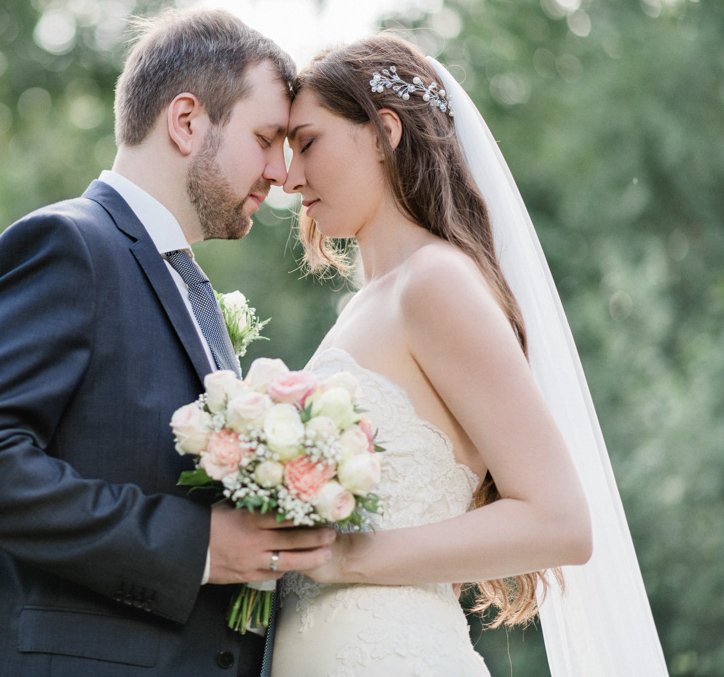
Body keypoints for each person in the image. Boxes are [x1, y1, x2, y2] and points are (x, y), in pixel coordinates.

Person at [0, 8, 336, 677]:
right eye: (266, 137)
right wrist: (194, 547)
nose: (280, 173)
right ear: (187, 121)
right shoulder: (68, 245)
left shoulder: (189, 284)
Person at [272, 33, 667, 676]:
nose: (289, 177)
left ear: (382, 133)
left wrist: (346, 558)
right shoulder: (365, 306)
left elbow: (560, 521)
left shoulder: (435, 283)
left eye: (307, 142)